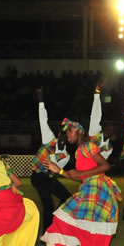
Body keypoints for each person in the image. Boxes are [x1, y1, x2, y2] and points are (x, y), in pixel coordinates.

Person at [40, 121, 122, 246]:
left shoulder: (87, 147)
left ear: (78, 131)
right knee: (78, 226)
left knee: (62, 218)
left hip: (96, 191)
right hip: (89, 188)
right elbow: (82, 176)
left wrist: (61, 171)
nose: (67, 135)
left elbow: (105, 166)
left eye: (69, 132)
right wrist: (62, 172)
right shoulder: (79, 151)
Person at [29, 86, 78, 231]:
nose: (63, 137)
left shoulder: (66, 156)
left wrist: (51, 155)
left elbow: (54, 168)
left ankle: (57, 220)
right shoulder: (48, 139)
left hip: (49, 177)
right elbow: (43, 120)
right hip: (37, 176)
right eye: (62, 133)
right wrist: (41, 100)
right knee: (48, 204)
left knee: (67, 197)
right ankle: (47, 233)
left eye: (66, 134)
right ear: (58, 134)